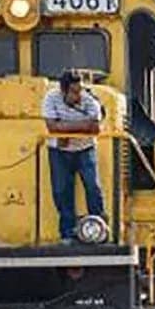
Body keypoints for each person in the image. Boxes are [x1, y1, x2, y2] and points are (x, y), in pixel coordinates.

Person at [42, 70, 105, 243]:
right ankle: (67, 233)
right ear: (63, 91)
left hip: (85, 149)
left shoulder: (90, 101)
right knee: (62, 191)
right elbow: (51, 127)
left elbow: (95, 128)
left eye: (80, 90)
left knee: (93, 187)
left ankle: (98, 228)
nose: (79, 95)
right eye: (74, 92)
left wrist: (64, 128)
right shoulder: (50, 98)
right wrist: (82, 126)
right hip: (58, 152)